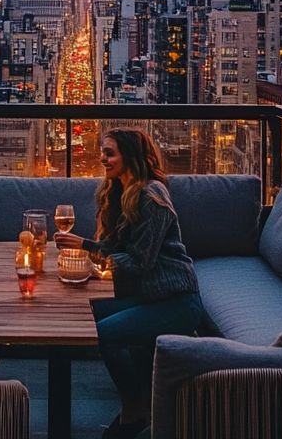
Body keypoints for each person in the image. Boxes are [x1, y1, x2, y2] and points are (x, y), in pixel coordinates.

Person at [54, 128, 202, 439]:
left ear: (131, 157)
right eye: (103, 152)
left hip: (175, 299)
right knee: (90, 316)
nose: (103, 159)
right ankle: (143, 400)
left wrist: (97, 262)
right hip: (149, 294)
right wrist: (83, 244)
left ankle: (135, 408)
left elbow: (140, 261)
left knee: (106, 334)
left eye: (110, 153)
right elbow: (119, 250)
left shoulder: (152, 196)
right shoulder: (120, 191)